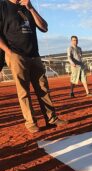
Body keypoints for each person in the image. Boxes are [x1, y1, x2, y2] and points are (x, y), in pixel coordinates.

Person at [0, 0, 68, 133]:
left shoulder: (27, 7)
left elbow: (44, 27)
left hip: (34, 54)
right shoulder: (2, 6)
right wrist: (9, 53)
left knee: (43, 88)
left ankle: (51, 119)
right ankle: (31, 122)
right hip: (16, 54)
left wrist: (30, 8)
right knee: (23, 91)